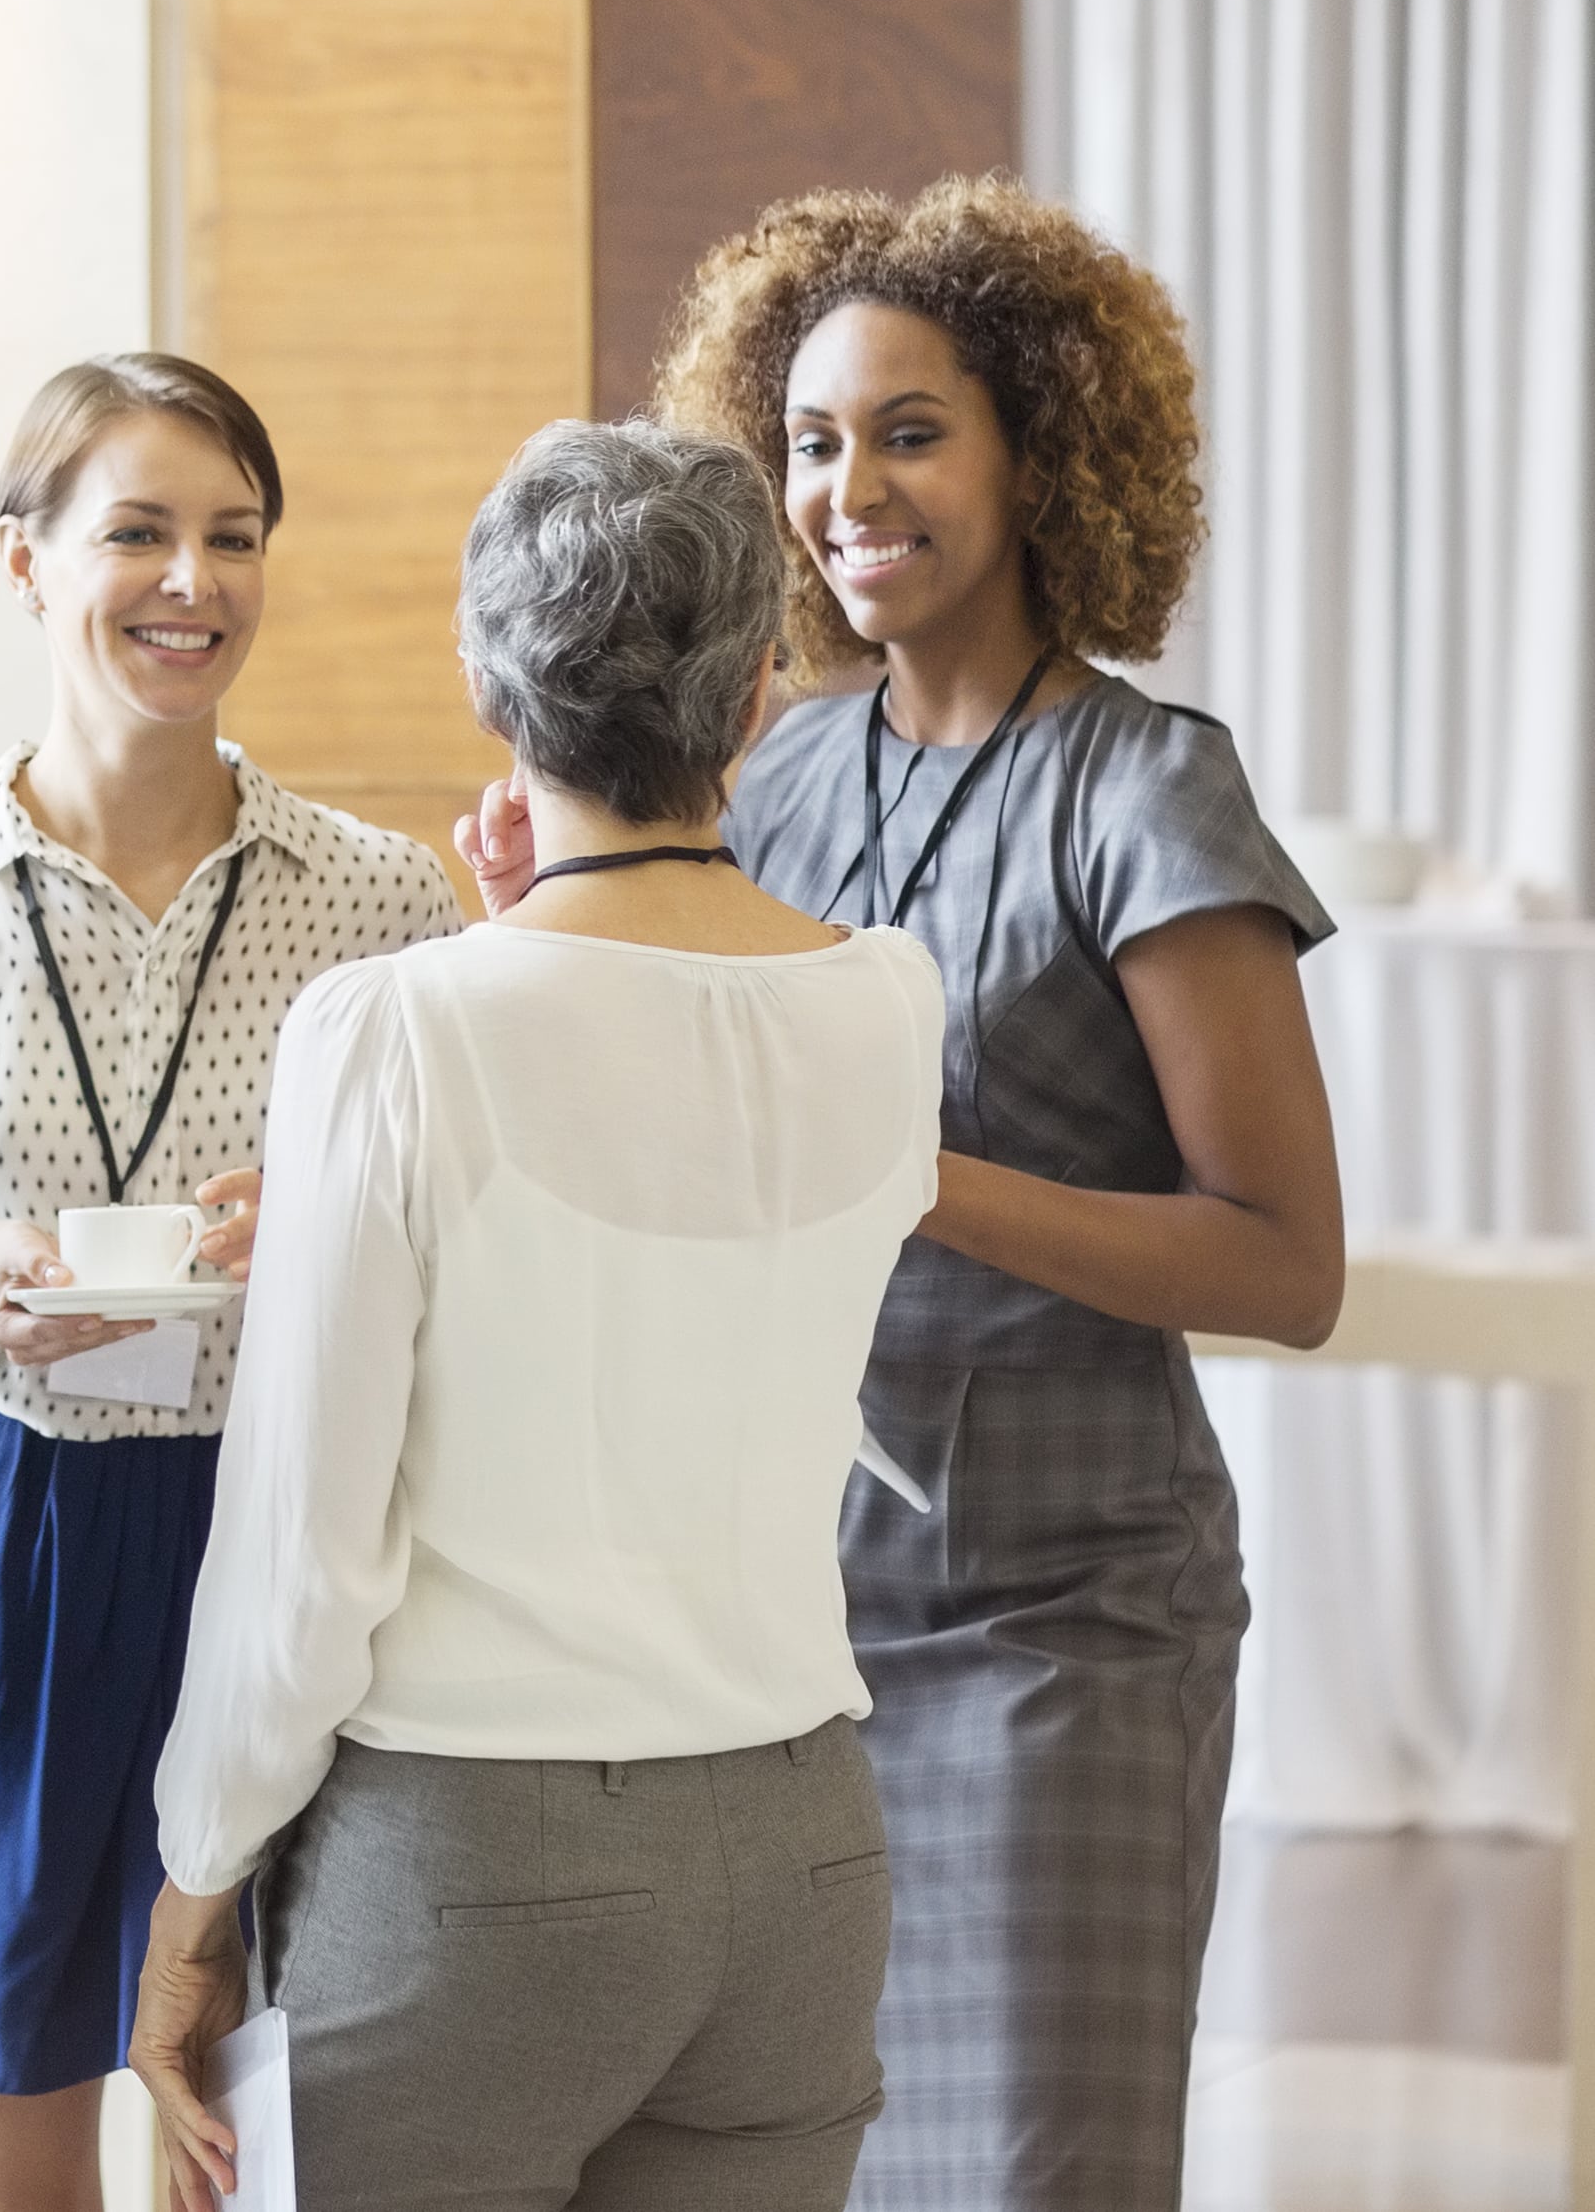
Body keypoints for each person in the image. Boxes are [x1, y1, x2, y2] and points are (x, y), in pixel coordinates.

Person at [130, 421, 946, 2212]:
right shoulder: (891, 1003)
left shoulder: (396, 1030)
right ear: (751, 703)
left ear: (491, 686)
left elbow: (300, 1565)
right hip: (801, 1852)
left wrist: (194, 1902)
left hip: (473, 1865)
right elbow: (675, 1158)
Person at [639, 177, 1344, 2209]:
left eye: (912, 428)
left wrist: (926, 1181)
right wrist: (552, 904)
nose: (851, 484)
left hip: (1066, 1632)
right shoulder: (772, 780)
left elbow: (1287, 1262)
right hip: (793, 1625)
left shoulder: (1147, 787)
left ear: (1043, 448)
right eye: (813, 439)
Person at [0, 355, 457, 2211]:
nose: (193, 579)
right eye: (141, 532)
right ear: (25, 561)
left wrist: (320, 1232)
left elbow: (453, 1254)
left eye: (233, 536)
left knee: (251, 2137)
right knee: (12, 2142)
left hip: (277, 1520)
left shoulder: (378, 898)